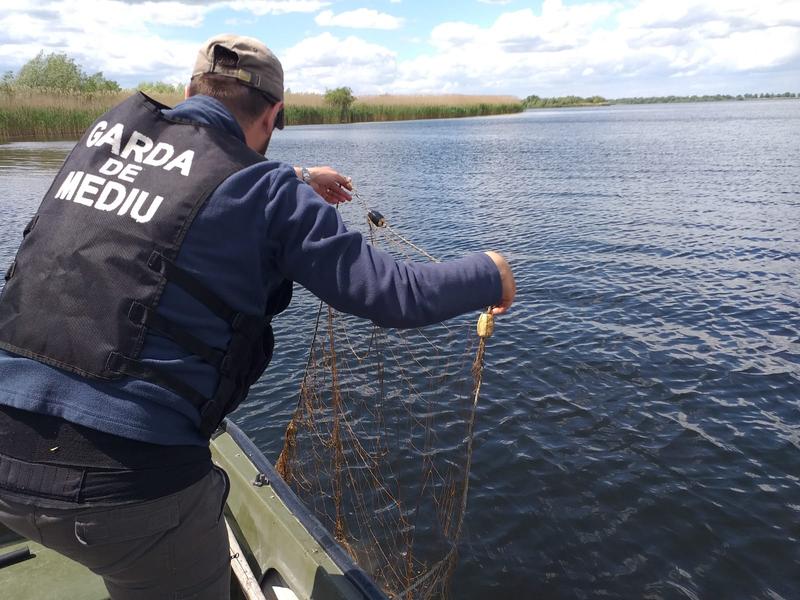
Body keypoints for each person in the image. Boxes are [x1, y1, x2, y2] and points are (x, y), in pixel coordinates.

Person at [0, 34, 515, 599]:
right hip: (128, 486)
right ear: (272, 114)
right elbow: (393, 293)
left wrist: (296, 177)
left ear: (190, 92)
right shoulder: (268, 193)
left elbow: (188, 178)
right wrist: (490, 272)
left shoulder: (106, 140)